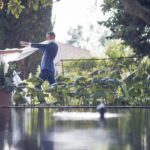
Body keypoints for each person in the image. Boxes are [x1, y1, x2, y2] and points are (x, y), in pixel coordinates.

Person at [20, 31, 58, 104]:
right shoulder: (51, 45)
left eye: (48, 37)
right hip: (50, 69)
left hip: (46, 69)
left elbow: (41, 46)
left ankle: (42, 102)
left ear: (52, 37)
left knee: (37, 85)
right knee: (54, 86)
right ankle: (61, 100)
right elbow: (40, 47)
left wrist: (28, 43)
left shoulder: (52, 44)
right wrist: (27, 47)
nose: (46, 38)